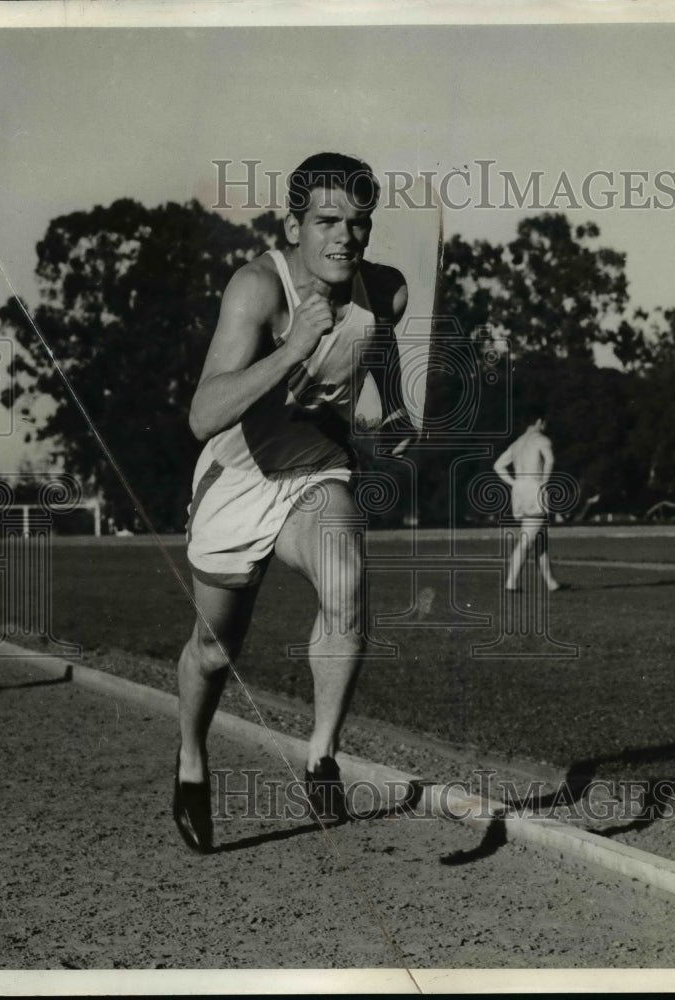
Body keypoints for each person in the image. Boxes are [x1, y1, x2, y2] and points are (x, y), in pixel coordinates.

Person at [174, 152, 416, 853]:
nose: (344, 237)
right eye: (327, 221)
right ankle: (191, 760)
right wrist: (292, 347)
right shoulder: (256, 289)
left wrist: (393, 408)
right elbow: (201, 415)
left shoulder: (385, 290)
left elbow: (379, 339)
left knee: (347, 582)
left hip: (315, 474)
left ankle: (320, 758)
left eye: (359, 224)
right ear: (294, 225)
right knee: (216, 653)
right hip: (238, 479)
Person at [492, 405, 562, 593]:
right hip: (534, 488)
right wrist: (544, 483)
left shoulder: (517, 443)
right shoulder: (541, 439)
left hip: (520, 490)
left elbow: (498, 465)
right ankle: (511, 583)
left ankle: (551, 583)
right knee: (528, 538)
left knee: (539, 537)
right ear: (539, 421)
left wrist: (514, 483)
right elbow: (550, 460)